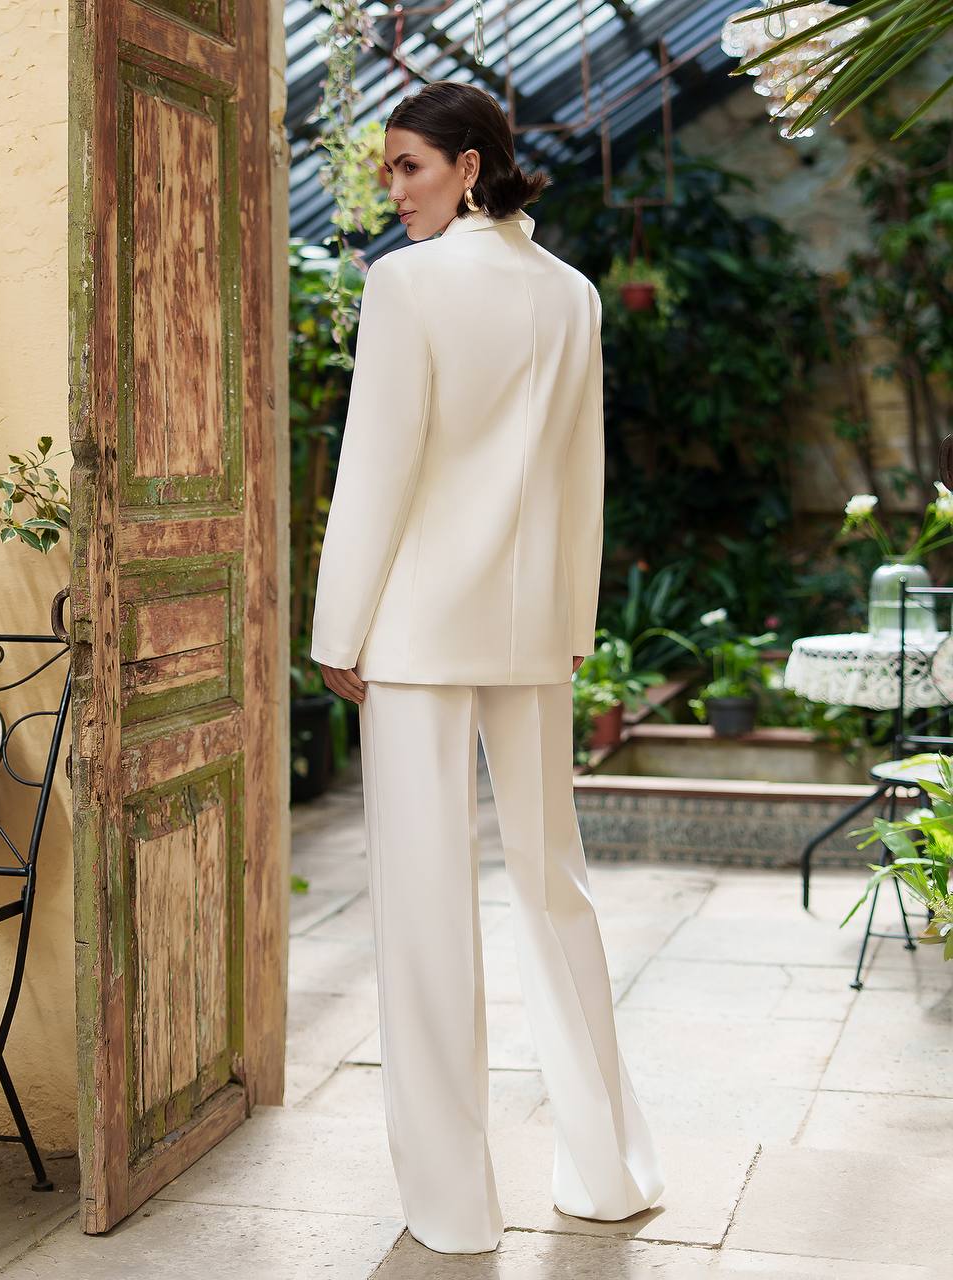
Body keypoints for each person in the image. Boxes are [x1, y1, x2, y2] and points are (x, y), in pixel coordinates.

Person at [309, 80, 665, 1255]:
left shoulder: (404, 285)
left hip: (416, 634)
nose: (392, 191)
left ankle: (455, 1205)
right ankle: (608, 1169)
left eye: (408, 165)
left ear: (470, 167)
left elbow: (378, 463)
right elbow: (579, 472)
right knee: (554, 882)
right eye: (387, 170)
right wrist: (572, 620)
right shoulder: (571, 293)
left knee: (425, 907)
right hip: (528, 629)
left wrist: (337, 630)